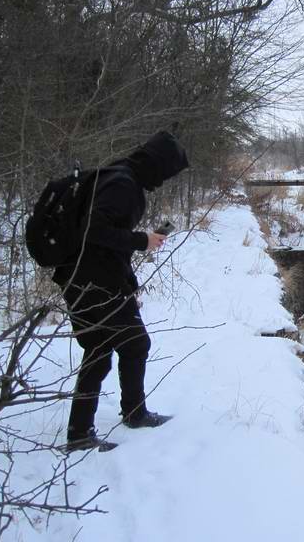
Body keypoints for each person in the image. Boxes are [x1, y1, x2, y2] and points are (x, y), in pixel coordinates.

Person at [53, 131, 189, 452]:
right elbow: (95, 230)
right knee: (134, 343)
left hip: (82, 278)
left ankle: (82, 432)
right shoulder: (123, 183)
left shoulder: (116, 173)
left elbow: (99, 230)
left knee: (99, 352)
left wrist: (137, 244)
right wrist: (142, 241)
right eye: (167, 172)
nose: (165, 179)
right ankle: (132, 415)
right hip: (96, 282)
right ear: (158, 165)